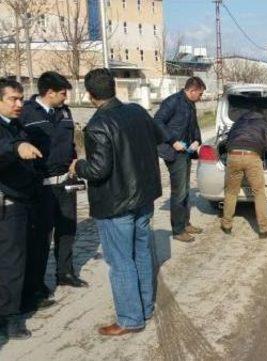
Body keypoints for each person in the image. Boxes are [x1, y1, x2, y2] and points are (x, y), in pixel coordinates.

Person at [69, 69, 163, 336]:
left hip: (116, 204)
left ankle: (131, 318)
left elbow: (98, 169)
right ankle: (144, 307)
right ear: (114, 87)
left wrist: (79, 166)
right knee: (141, 254)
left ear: (89, 95)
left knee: (121, 261)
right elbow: (157, 137)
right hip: (143, 198)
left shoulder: (98, 125)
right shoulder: (138, 111)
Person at [20, 72, 87, 312]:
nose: (65, 96)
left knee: (68, 228)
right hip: (41, 186)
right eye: (62, 93)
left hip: (65, 182)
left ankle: (65, 272)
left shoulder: (65, 112)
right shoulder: (26, 114)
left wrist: (74, 160)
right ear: (48, 93)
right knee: (40, 237)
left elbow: (69, 143)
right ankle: (35, 286)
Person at [0, 78, 43, 340]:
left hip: (24, 198)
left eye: (21, 98)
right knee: (11, 261)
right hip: (8, 203)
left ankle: (24, 299)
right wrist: (17, 147)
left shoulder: (16, 125)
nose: (19, 104)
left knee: (19, 257)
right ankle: (11, 317)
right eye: (12, 99)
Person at [154, 77, 205, 243]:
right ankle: (178, 230)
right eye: (200, 93)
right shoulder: (173, 102)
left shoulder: (190, 104)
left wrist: (197, 140)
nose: (201, 97)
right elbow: (157, 122)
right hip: (174, 153)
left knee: (185, 190)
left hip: (186, 152)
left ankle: (185, 223)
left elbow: (194, 126)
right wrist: (172, 141)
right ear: (192, 91)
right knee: (179, 192)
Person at [220, 111, 267, 239]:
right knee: (259, 193)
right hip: (252, 157)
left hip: (233, 156)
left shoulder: (237, 124)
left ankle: (227, 224)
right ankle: (264, 229)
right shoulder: (263, 124)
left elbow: (227, 141)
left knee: (231, 192)